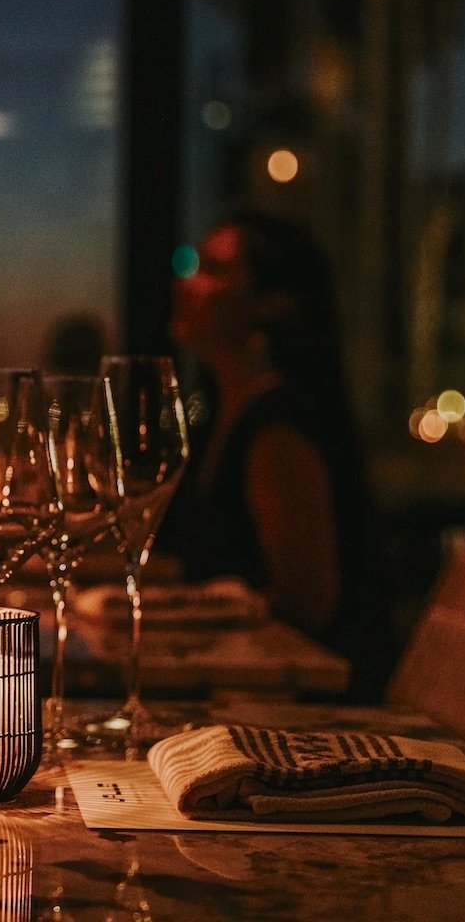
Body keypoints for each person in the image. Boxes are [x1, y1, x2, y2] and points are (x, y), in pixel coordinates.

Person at [162, 211, 394, 699]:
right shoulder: (222, 416)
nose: (187, 284)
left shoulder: (278, 429)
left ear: (274, 303)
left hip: (295, 709)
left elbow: (307, 606)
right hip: (235, 694)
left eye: (214, 270)